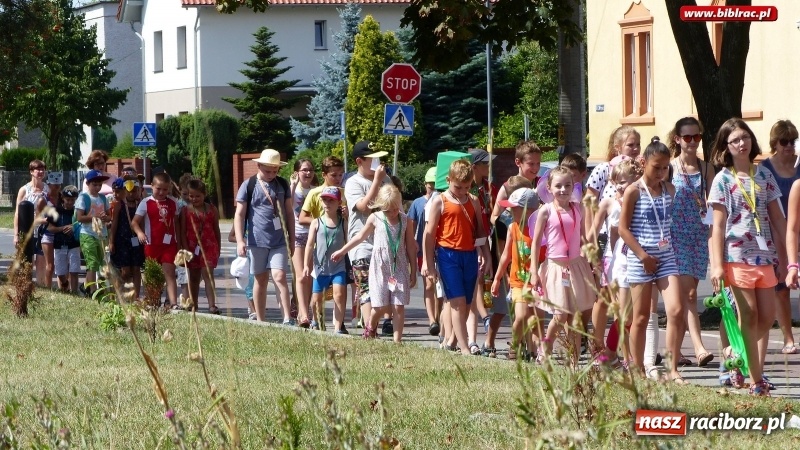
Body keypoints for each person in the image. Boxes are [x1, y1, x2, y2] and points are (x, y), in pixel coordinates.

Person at [709, 118, 786, 396]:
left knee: (767, 318)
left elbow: (778, 219)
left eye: (745, 138)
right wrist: (717, 265)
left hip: (765, 257)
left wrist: (788, 261)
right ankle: (757, 382)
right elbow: (717, 225)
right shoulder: (723, 179)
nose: (742, 144)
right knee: (749, 314)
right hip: (736, 256)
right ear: (726, 147)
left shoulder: (764, 175)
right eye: (735, 141)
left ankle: (733, 349)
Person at [618, 137, 687, 384]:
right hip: (641, 257)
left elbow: (667, 224)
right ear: (643, 162)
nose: (660, 172)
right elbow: (623, 229)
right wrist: (642, 256)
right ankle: (636, 370)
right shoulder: (633, 190)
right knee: (641, 317)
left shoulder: (670, 189)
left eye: (665, 168)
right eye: (656, 167)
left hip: (666, 256)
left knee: (676, 310)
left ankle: (672, 368)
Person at [423, 159, 492, 356]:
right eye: (457, 187)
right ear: (448, 180)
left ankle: (452, 340)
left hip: (469, 254)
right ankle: (464, 347)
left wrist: (485, 255)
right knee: (457, 301)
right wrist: (429, 263)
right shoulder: (439, 201)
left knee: (468, 302)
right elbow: (429, 235)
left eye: (466, 187)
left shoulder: (474, 201)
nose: (461, 191)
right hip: (447, 254)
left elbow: (480, 231)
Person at [333, 185, 416, 342]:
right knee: (379, 306)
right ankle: (371, 325)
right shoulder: (375, 218)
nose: (391, 213)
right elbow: (359, 237)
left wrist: (413, 270)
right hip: (379, 267)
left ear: (399, 204)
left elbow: (411, 246)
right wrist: (342, 251)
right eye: (387, 210)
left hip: (399, 267)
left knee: (398, 306)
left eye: (394, 209)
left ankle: (397, 341)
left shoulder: (406, 221)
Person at [530, 166, 595, 364]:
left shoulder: (578, 209)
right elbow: (536, 241)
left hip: (575, 265)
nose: (563, 190)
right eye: (558, 186)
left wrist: (590, 255)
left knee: (575, 315)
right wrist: (534, 270)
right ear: (549, 188)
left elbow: (582, 236)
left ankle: (573, 358)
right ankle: (545, 348)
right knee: (560, 315)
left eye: (567, 185)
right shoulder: (545, 211)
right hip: (555, 266)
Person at [666, 117, 715, 367]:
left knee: (688, 295)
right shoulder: (670, 167)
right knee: (691, 294)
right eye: (688, 137)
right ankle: (699, 348)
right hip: (676, 236)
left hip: (698, 236)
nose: (693, 142)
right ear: (677, 139)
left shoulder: (707, 169)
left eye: (697, 137)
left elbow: (712, 204)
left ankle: (673, 354)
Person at [234, 149, 295, 324]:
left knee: (279, 276)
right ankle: (260, 319)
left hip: (279, 241)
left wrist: (291, 237)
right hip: (256, 241)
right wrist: (240, 240)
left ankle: (287, 318)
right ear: (258, 165)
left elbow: (289, 212)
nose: (271, 174)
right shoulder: (249, 185)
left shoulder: (282, 185)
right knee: (260, 279)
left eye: (275, 171)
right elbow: (239, 214)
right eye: (267, 171)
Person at [589, 156, 640, 365]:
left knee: (629, 312)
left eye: (626, 181)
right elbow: (593, 230)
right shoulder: (608, 202)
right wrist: (594, 258)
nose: (622, 186)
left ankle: (618, 353)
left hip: (633, 256)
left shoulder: (638, 198)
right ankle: (616, 353)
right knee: (621, 310)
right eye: (618, 182)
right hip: (613, 258)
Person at [760, 120, 800, 354]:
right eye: (784, 141)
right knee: (781, 287)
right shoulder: (766, 168)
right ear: (775, 143)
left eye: (792, 141)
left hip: (796, 229)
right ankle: (788, 338)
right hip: (777, 234)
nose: (789, 146)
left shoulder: (799, 166)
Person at [344, 141, 393, 334]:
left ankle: (375, 324)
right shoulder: (353, 182)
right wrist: (376, 182)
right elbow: (364, 207)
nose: (377, 162)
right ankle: (369, 329)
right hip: (361, 243)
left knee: (383, 289)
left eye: (378, 157)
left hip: (384, 243)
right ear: (359, 161)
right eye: (372, 158)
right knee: (366, 288)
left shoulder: (386, 180)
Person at [491, 187, 541, 360]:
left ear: (529, 211)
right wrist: (497, 278)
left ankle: (532, 352)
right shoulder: (512, 227)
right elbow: (505, 255)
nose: (510, 211)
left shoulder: (539, 231)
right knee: (520, 317)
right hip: (518, 281)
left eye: (514, 208)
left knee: (532, 319)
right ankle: (516, 343)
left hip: (536, 283)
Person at [466, 148, 506, 356]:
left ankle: (481, 321)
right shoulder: (468, 188)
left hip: (486, 238)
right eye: (485, 164)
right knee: (475, 282)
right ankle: (483, 317)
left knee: (483, 280)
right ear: (474, 166)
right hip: (469, 240)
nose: (488, 167)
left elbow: (498, 207)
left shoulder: (489, 188)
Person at [132, 172, 180, 310]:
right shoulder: (145, 203)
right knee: (153, 274)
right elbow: (135, 222)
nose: (161, 192)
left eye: (165, 189)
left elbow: (177, 223)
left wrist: (180, 242)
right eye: (158, 188)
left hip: (169, 245)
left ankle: (173, 302)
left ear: (169, 188)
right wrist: (140, 233)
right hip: (151, 245)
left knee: (169, 273)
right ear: (152, 186)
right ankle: (153, 301)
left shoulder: (173, 203)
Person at [304, 187, 348, 333]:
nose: (327, 203)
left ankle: (337, 328)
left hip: (338, 266)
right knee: (316, 300)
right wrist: (306, 265)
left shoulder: (343, 222)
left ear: (338, 203)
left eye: (331, 200)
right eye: (324, 200)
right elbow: (310, 245)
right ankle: (316, 321)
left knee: (339, 295)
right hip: (320, 267)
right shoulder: (316, 222)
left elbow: (349, 241)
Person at [408, 167, 442, 336]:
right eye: (430, 185)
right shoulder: (418, 203)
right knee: (429, 284)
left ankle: (439, 316)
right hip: (424, 250)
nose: (433, 188)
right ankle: (432, 320)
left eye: (436, 185)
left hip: (441, 249)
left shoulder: (442, 200)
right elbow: (411, 224)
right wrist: (412, 242)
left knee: (440, 287)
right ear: (425, 185)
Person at [180, 178, 221, 314]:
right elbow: (182, 231)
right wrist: (185, 249)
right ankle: (194, 304)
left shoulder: (212, 209)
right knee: (194, 277)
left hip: (209, 246)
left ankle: (212, 305)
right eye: (191, 196)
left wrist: (218, 247)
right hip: (192, 248)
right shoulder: (185, 211)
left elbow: (216, 229)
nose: (194, 199)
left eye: (198, 196)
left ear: (204, 194)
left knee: (208, 274)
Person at [76, 169, 112, 296]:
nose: (97, 187)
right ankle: (92, 291)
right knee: (92, 263)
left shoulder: (103, 198)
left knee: (102, 262)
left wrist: (105, 218)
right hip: (88, 234)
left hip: (102, 234)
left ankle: (97, 289)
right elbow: (79, 217)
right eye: (94, 184)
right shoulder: (83, 197)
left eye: (99, 184)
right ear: (88, 184)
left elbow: (109, 216)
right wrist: (94, 217)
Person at [291, 159, 317, 324]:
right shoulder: (292, 189)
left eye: (310, 170)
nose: (308, 173)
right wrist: (293, 186)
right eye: (304, 170)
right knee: (301, 276)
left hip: (314, 236)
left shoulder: (315, 191)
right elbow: (286, 204)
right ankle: (303, 314)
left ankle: (307, 310)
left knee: (310, 277)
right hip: (297, 235)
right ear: (297, 172)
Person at [109, 176, 145, 299]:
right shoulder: (119, 205)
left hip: (136, 241)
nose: (130, 194)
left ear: (139, 191)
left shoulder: (140, 204)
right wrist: (111, 241)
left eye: (134, 191)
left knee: (136, 268)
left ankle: (136, 297)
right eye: (128, 191)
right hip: (122, 241)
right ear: (124, 191)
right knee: (125, 270)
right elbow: (114, 225)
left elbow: (143, 223)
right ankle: (121, 294)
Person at [48, 185, 81, 293]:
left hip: (74, 244)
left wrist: (73, 227)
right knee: (60, 272)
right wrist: (62, 228)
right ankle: (64, 284)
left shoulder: (77, 211)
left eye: (72, 200)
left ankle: (75, 292)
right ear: (62, 198)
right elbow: (50, 228)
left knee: (74, 270)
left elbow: (82, 224)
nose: (70, 202)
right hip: (59, 244)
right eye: (68, 199)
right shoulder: (55, 210)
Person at [38, 171, 63, 288]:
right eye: (54, 184)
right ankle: (48, 288)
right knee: (50, 265)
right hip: (47, 233)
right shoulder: (43, 199)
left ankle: (63, 288)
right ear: (48, 184)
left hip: (61, 232)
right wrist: (46, 221)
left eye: (59, 184)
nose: (57, 187)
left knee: (62, 263)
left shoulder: (63, 198)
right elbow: (37, 218)